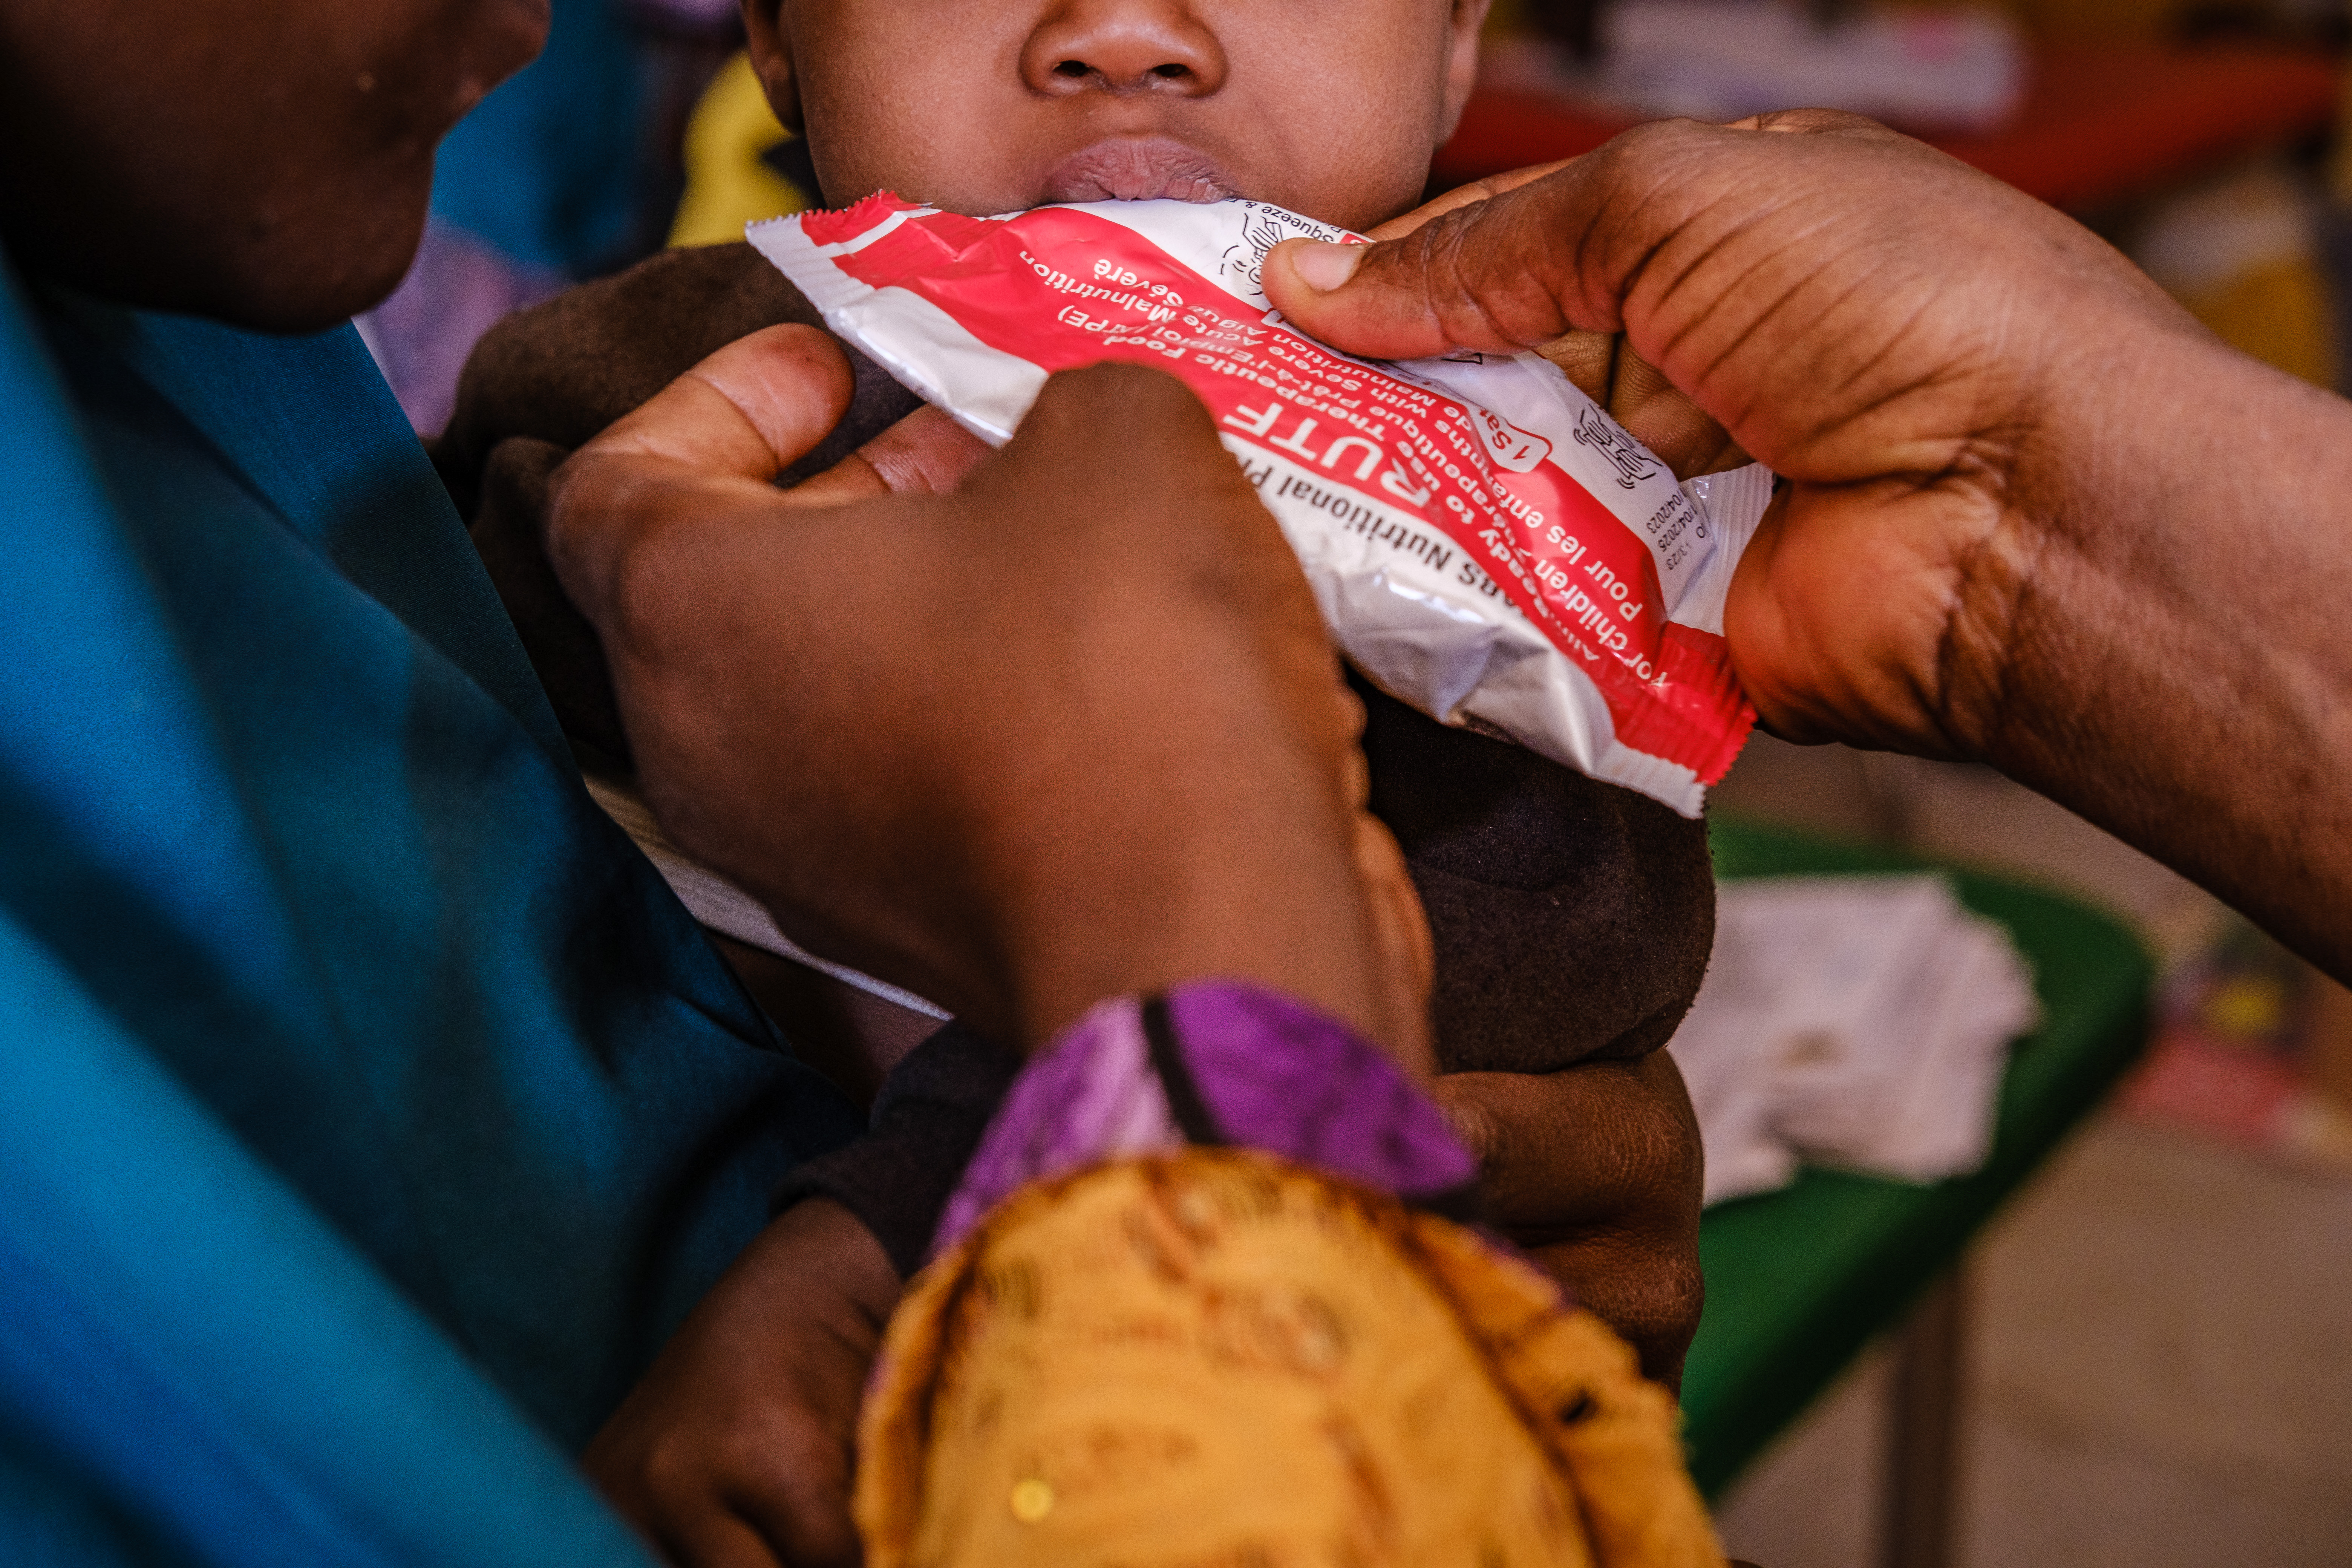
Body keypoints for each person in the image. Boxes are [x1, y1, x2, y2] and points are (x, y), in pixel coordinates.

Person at [0, 4, 1697, 1567]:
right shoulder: (617, 392)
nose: (1127, 32)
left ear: (1459, 45)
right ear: (777, 40)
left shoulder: (1508, 506)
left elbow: (1528, 944)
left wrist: (874, 1243)